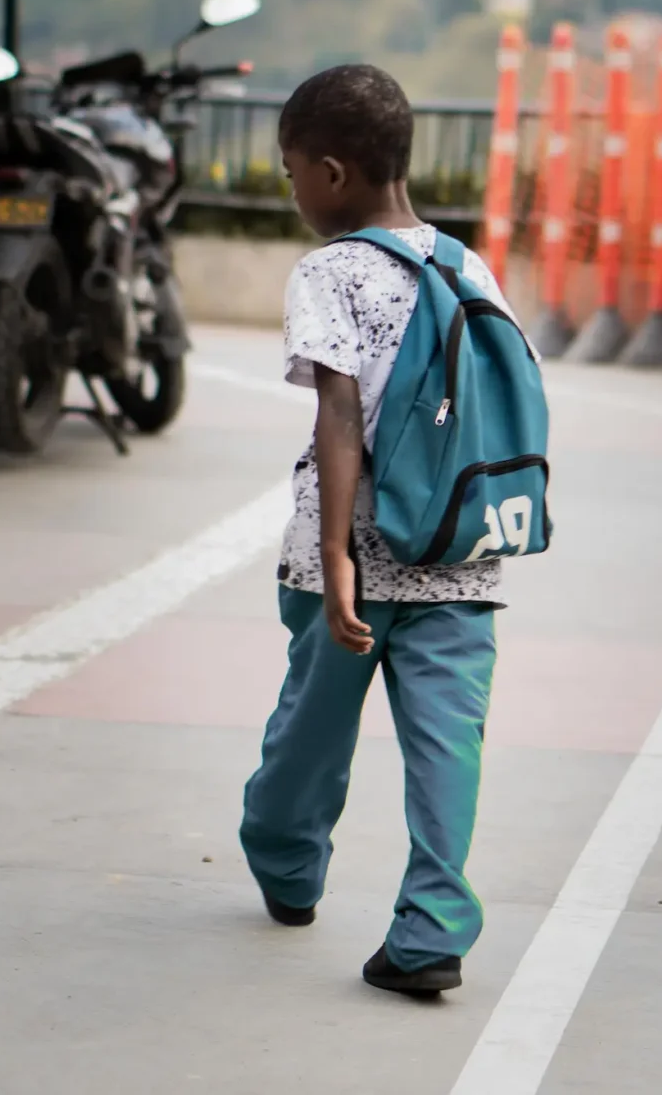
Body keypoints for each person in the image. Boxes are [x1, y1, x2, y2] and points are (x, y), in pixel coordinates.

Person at [239, 62, 532, 998]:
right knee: (448, 749)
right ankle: (432, 930)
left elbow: (336, 414)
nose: (293, 194)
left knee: (307, 738)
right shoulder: (467, 265)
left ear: (331, 174)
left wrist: (332, 557)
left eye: (290, 176)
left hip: (353, 568)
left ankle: (285, 864)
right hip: (458, 556)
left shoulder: (330, 270)